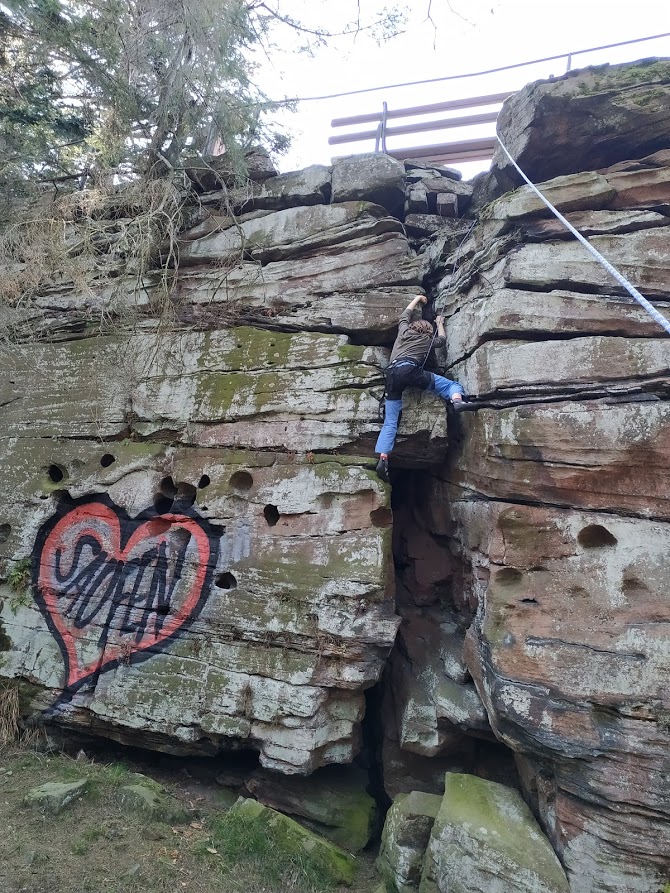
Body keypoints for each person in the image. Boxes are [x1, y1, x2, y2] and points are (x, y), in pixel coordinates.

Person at [375, 295, 465, 482]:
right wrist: (439, 323)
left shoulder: (403, 331)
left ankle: (383, 457)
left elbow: (404, 315)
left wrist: (417, 299)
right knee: (452, 385)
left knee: (390, 421)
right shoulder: (428, 340)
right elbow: (442, 340)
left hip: (391, 374)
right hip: (410, 370)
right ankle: (457, 401)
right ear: (428, 331)